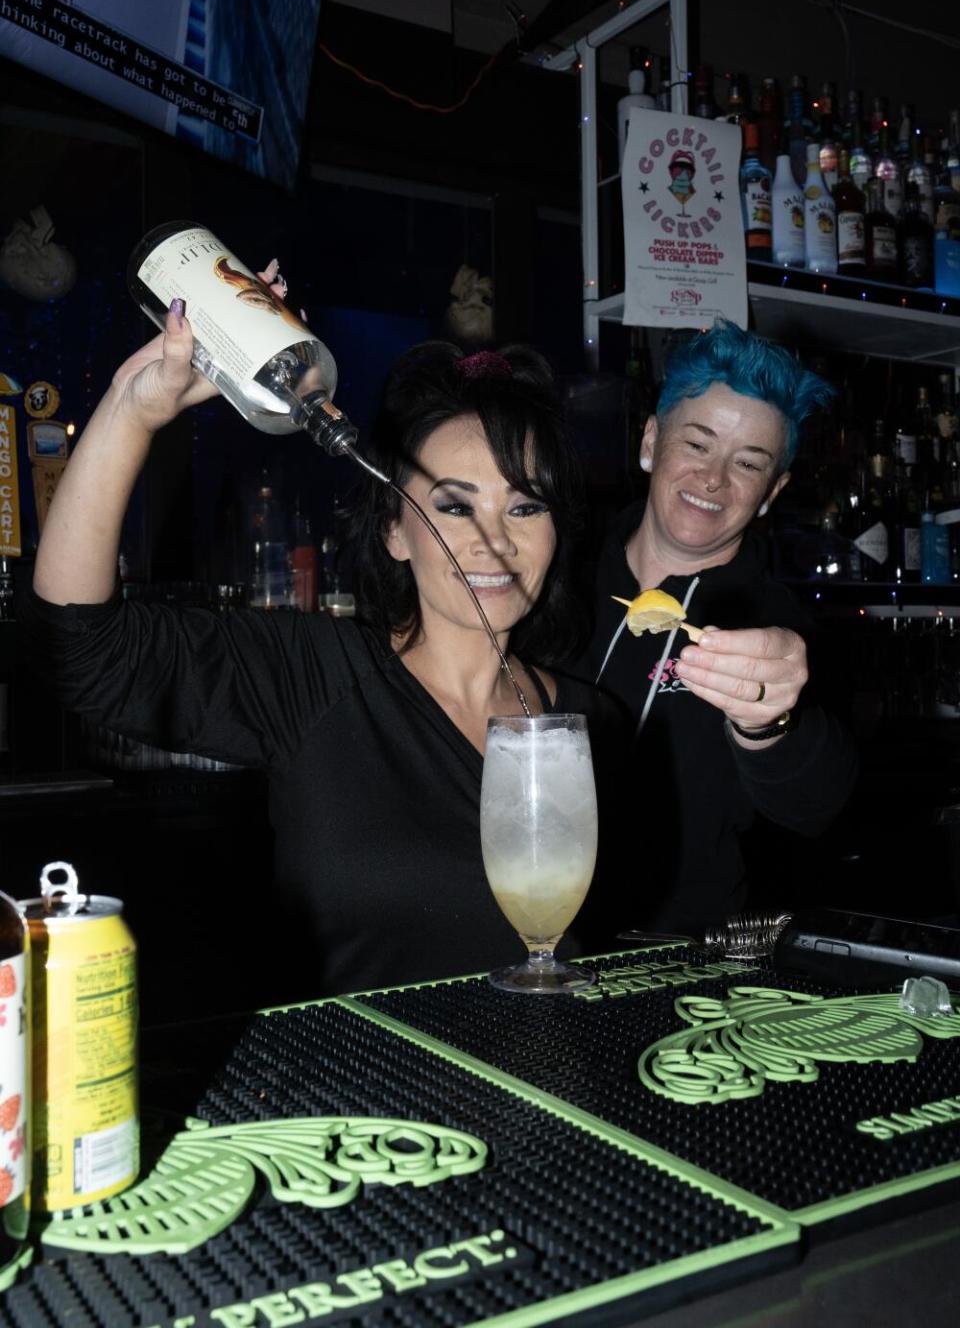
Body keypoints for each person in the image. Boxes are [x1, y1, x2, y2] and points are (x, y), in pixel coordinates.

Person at [28, 297, 624, 998]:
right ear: (395, 533)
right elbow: (91, 648)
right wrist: (134, 409)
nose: (494, 542)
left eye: (525, 506)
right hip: (355, 1094)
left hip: (545, 1090)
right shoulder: (316, 679)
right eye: (455, 506)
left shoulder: (589, 728)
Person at [577, 319, 857, 938]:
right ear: (651, 442)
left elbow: (819, 806)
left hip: (680, 957)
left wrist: (768, 721)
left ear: (771, 492)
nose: (713, 479)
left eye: (748, 463)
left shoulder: (779, 625)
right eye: (697, 444)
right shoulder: (555, 570)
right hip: (516, 933)